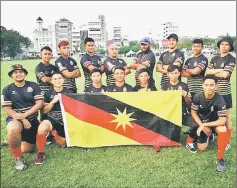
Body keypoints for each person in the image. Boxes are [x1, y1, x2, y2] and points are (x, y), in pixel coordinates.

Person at [1, 64, 44, 170]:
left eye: (21, 72)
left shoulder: (33, 86)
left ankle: (11, 140)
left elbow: (39, 103)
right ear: (11, 75)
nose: (18, 74)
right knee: (13, 129)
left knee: (28, 149)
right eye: (15, 72)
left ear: (24, 73)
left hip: (32, 119)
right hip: (16, 118)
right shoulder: (7, 89)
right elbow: (7, 109)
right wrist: (23, 119)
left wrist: (26, 115)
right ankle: (18, 159)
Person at [185, 75, 228, 172]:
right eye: (206, 85)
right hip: (201, 123)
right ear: (202, 86)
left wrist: (205, 125)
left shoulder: (220, 100)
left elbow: (222, 121)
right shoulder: (197, 97)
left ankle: (220, 158)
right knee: (201, 148)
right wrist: (201, 125)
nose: (209, 87)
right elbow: (193, 113)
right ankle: (197, 137)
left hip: (213, 123)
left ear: (216, 86)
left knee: (223, 129)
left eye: (212, 85)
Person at [205, 37, 236, 150]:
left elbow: (225, 75)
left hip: (224, 93)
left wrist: (214, 72)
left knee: (226, 117)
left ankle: (227, 141)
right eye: (222, 44)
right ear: (219, 46)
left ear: (230, 47)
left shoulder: (231, 59)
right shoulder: (214, 58)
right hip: (213, 92)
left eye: (227, 44)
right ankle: (213, 135)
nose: (224, 46)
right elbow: (207, 73)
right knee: (212, 115)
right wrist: (219, 71)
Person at [35, 72, 70, 165]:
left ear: (63, 80)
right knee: (41, 128)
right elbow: (45, 111)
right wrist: (53, 102)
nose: (58, 80)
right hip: (52, 118)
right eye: (55, 79)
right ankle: (41, 153)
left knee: (63, 145)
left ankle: (54, 133)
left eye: (59, 78)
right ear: (51, 81)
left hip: (65, 119)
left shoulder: (70, 91)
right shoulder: (47, 93)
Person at [35, 46, 56, 144]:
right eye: (45, 54)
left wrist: (54, 79)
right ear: (41, 55)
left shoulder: (53, 67)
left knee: (53, 113)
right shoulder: (39, 67)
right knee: (43, 115)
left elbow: (57, 78)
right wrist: (54, 79)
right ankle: (43, 135)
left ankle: (52, 134)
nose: (47, 56)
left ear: (51, 55)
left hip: (53, 93)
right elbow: (44, 79)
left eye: (49, 54)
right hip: (43, 95)